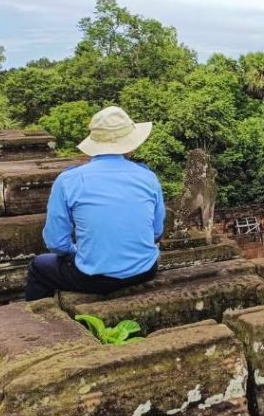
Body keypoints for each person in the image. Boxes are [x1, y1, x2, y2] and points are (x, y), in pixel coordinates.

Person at [25, 106, 164, 301]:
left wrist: (76, 252)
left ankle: (41, 321)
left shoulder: (68, 180)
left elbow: (56, 243)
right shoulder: (148, 177)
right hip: (145, 269)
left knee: (39, 266)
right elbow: (157, 232)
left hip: (94, 277)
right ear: (131, 144)